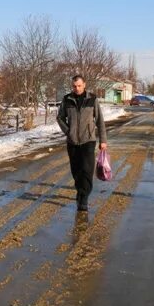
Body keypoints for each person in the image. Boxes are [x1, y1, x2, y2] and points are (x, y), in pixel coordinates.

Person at [57, 75, 107, 212]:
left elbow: (100, 121)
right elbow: (60, 118)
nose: (77, 88)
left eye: (79, 85)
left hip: (88, 140)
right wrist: (68, 132)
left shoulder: (92, 99)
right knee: (76, 171)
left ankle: (84, 198)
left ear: (84, 84)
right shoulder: (67, 99)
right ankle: (80, 192)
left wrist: (103, 140)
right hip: (72, 142)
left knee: (87, 170)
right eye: (74, 86)